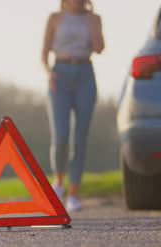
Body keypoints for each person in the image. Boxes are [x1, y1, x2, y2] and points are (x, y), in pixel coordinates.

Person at [41, 0, 104, 211]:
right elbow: (43, 53)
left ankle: (73, 195)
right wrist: (49, 73)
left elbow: (99, 48)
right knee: (60, 135)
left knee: (80, 138)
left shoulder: (93, 19)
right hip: (60, 74)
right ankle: (58, 183)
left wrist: (92, 21)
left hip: (85, 74)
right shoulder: (55, 18)